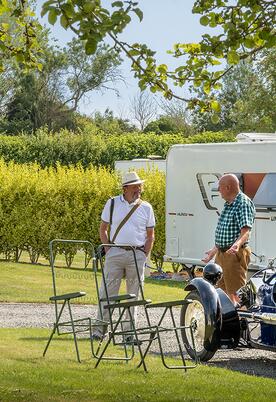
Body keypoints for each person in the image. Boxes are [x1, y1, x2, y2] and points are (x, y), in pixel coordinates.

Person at [94, 171, 155, 341]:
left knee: (133, 295)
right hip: (115, 252)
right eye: (136, 186)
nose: (139, 189)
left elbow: (151, 235)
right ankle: (99, 331)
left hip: (137, 254)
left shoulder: (146, 207)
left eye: (140, 186)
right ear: (125, 188)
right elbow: (103, 228)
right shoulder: (112, 203)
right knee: (107, 293)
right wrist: (109, 250)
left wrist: (144, 255)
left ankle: (129, 334)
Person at [202, 174, 255, 305]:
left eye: (220, 188)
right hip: (222, 254)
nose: (218, 191)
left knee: (237, 293)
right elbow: (225, 232)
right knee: (221, 291)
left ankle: (242, 321)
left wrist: (237, 245)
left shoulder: (243, 203)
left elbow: (246, 231)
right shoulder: (228, 204)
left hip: (234, 254)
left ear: (228, 187)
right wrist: (214, 250)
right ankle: (227, 321)